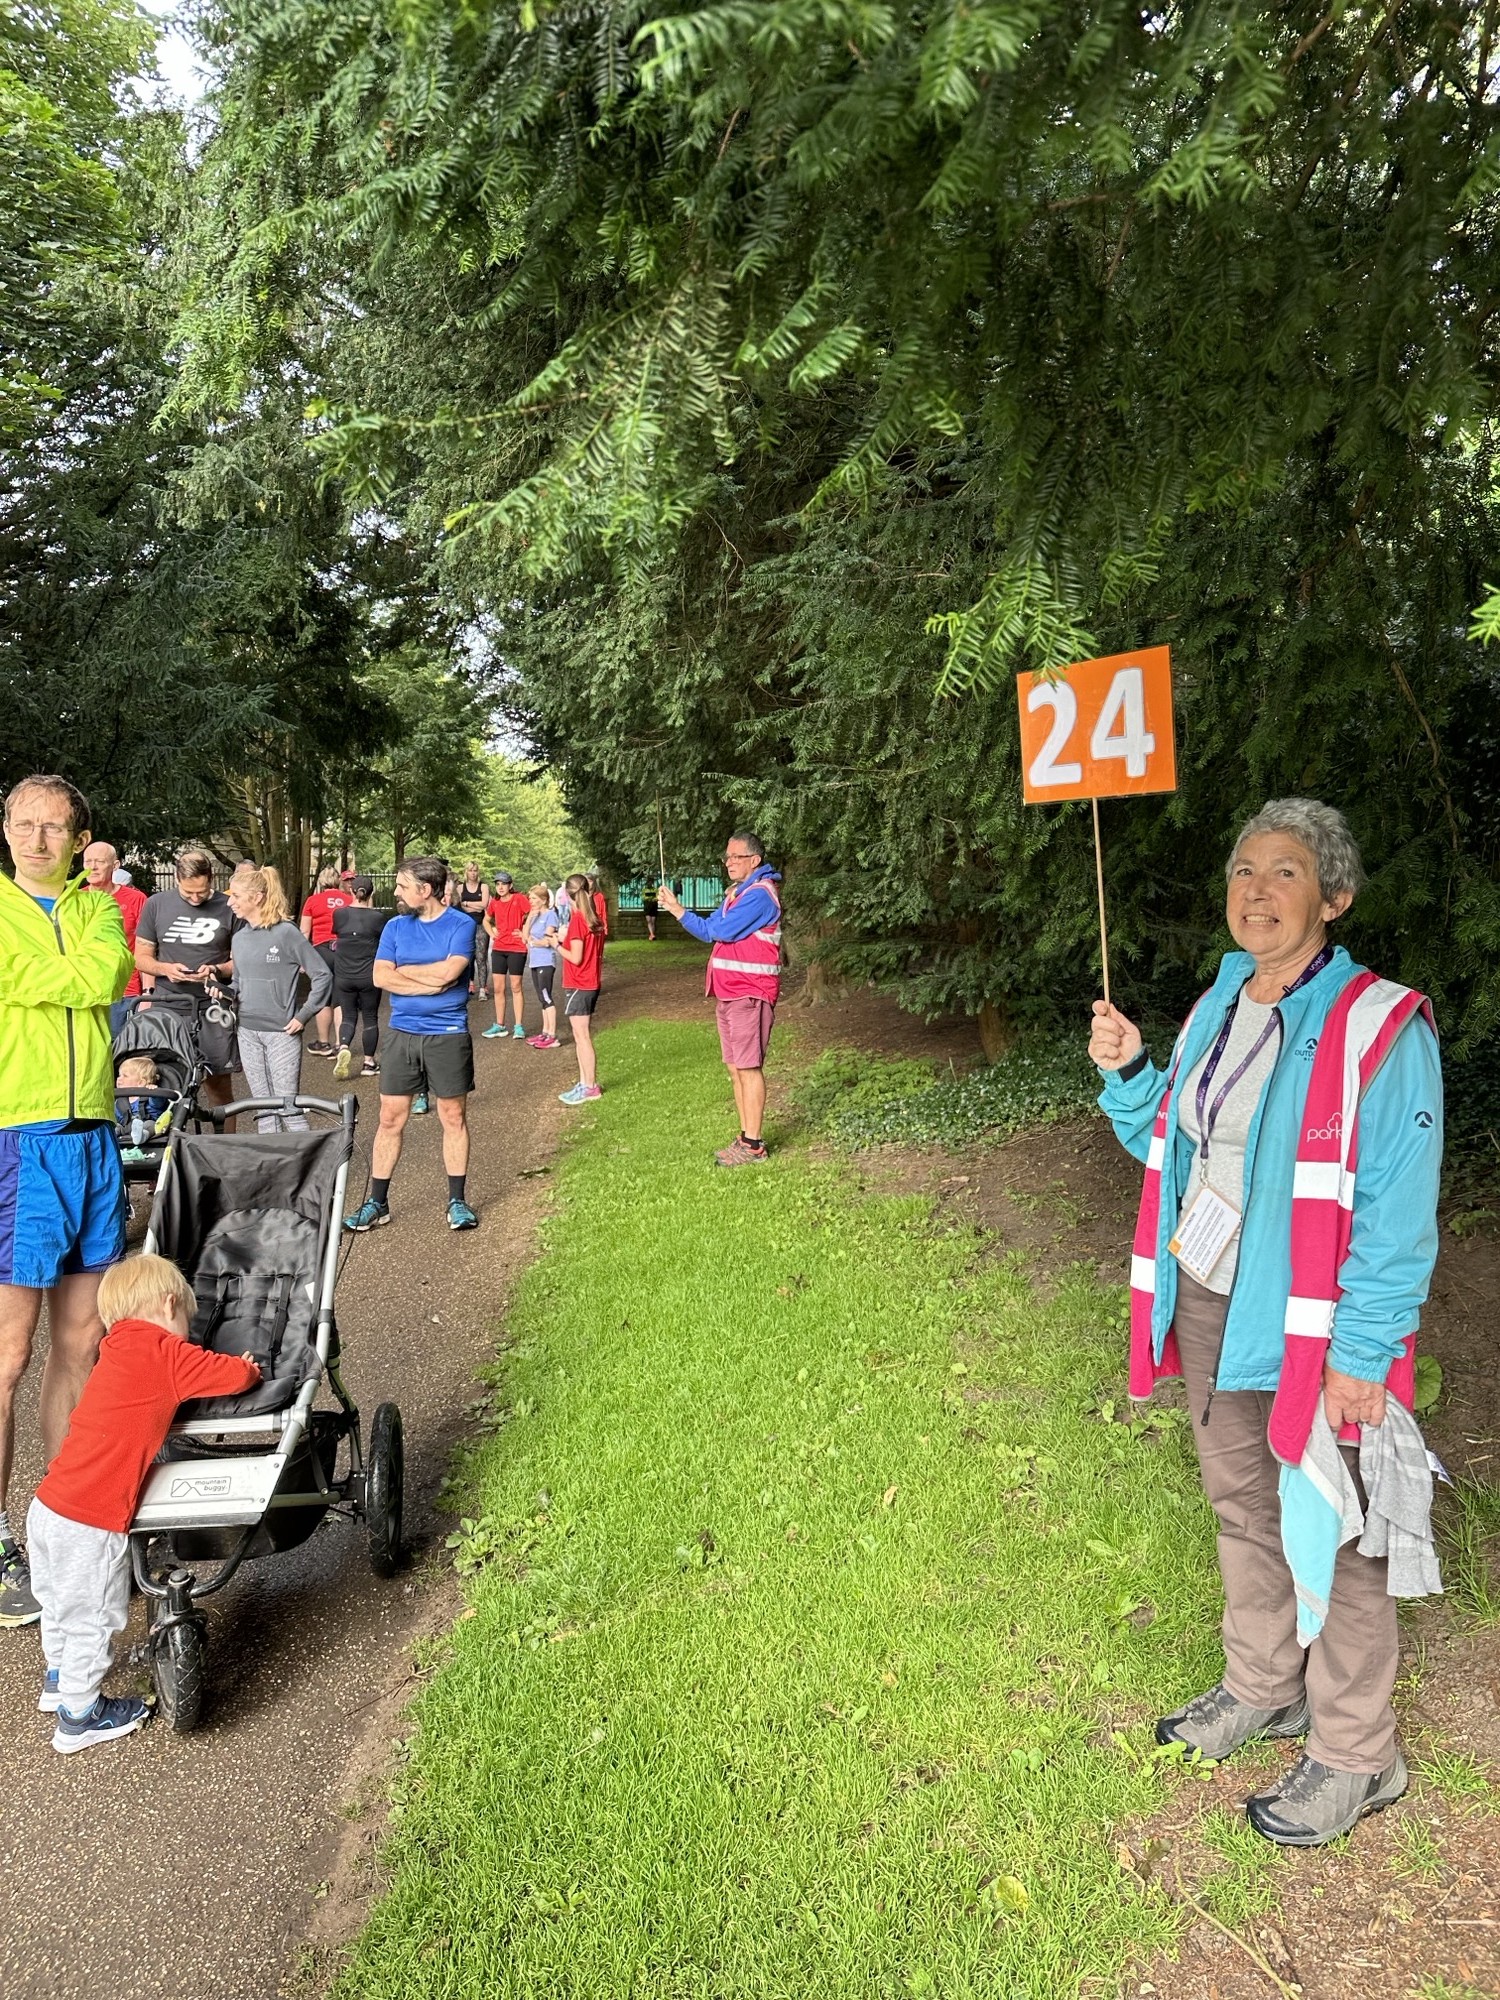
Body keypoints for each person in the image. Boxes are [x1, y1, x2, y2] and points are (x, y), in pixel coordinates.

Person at [1088, 798, 1442, 1848]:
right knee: (1242, 1500)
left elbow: (1396, 1210)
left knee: (1335, 1525)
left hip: (1316, 1325)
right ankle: (1262, 1682)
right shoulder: (1217, 1007)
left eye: (1285, 871)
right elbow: (1177, 1146)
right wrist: (1130, 1071)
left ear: (1333, 895)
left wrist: (1363, 1352)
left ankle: (1356, 1751)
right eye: (1244, 869)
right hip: (1214, 1295)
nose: (1256, 888)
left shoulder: (1381, 1025)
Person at [29, 1252, 259, 1752]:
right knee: (94, 1613)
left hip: (47, 1507)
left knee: (61, 1603)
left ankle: (60, 1679)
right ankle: (80, 1715)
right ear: (171, 1303)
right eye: (186, 1319)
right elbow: (229, 1377)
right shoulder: (166, 1352)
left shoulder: (114, 1350)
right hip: (89, 1519)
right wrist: (246, 1368)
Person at [0, 775, 134, 1627]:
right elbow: (56, 979)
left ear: (78, 832)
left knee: (79, 1345)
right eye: (25, 824)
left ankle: (65, 1519)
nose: (39, 841)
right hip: (15, 1140)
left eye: (56, 827)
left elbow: (109, 973)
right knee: (7, 1355)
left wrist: (68, 968)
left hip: (92, 1138)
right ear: (5, 827)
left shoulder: (100, 906)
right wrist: (68, 972)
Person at [344, 858, 479, 1233]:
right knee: (389, 1119)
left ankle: (457, 1202)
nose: (397, 892)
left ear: (426, 889)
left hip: (448, 1033)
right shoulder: (395, 926)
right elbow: (379, 975)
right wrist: (429, 980)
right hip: (401, 1032)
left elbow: (451, 973)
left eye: (403, 886)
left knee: (452, 1117)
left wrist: (406, 974)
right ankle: (377, 1202)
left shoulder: (461, 924)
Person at [659, 832, 782, 1167]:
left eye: (736, 857)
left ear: (754, 861)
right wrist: (676, 909)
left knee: (748, 1067)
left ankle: (753, 1145)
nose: (729, 862)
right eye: (726, 857)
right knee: (734, 1067)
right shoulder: (736, 895)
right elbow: (707, 929)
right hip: (729, 993)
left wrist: (692, 915)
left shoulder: (759, 896)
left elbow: (722, 932)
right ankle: (745, 1137)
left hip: (749, 992)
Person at [224, 866, 331, 1132]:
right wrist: (221, 991)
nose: (230, 902)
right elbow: (238, 982)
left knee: (288, 1109)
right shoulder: (239, 938)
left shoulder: (286, 932)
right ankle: (273, 1170)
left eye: (236, 895)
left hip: (282, 1032)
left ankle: (306, 1170)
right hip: (247, 1031)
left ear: (257, 897)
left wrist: (303, 1015)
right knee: (263, 1111)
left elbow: (322, 976)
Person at [135, 850, 240, 1117]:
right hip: (168, 1006)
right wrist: (165, 969)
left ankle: (222, 1152)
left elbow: (240, 962)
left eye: (202, 893)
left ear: (211, 878)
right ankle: (168, 1151)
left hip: (212, 1007)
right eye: (188, 893)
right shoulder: (156, 904)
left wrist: (217, 969)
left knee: (218, 1087)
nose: (195, 898)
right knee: (164, 1084)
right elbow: (141, 958)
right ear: (176, 879)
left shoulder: (230, 907)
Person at [82, 842, 149, 1034]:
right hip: (86, 991)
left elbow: (145, 949)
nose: (92, 867)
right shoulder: (74, 900)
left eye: (100, 861)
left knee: (121, 1055)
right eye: (88, 861)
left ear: (115, 865)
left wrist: (147, 994)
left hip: (125, 992)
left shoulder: (136, 899)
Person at [331, 876, 387, 1080]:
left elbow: (337, 934)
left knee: (348, 1015)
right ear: (371, 893)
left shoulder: (339, 914)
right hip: (368, 975)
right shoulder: (378, 918)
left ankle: (344, 1045)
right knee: (370, 1017)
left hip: (344, 975)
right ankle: (368, 1062)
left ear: (351, 891)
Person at [557, 871, 605, 1106]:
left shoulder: (578, 920)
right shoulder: (592, 917)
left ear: (568, 895)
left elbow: (575, 957)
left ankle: (589, 1086)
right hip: (589, 982)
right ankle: (585, 1081)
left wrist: (555, 944)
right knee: (581, 1036)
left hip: (579, 984)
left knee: (582, 1036)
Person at [299, 865, 352, 1057]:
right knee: (340, 998)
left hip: (320, 951)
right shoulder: (349, 900)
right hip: (344, 951)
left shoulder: (312, 900)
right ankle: (340, 1044)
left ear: (321, 882)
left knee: (323, 997)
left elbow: (304, 933)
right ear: (338, 881)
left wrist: (301, 960)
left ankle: (323, 1043)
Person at [483, 871, 532, 1040]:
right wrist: (492, 933)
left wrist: (525, 931)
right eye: (497, 884)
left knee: (516, 986)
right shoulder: (495, 902)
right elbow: (485, 920)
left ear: (510, 885)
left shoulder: (519, 899)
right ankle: (499, 1025)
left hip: (517, 948)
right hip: (499, 948)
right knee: (498, 988)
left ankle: (518, 1026)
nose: (500, 887)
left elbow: (533, 913)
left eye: (503, 884)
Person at [521, 885, 562, 1049]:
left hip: (546, 961)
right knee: (541, 998)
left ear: (544, 900)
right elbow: (525, 937)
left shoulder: (551, 915)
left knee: (546, 997)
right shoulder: (535, 915)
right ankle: (545, 1032)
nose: (531, 901)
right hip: (535, 961)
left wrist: (534, 941)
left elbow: (547, 941)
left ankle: (552, 1035)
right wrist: (530, 917)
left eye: (534, 898)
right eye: (530, 898)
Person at [454, 861, 490, 998]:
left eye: (475, 870)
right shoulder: (460, 888)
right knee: (467, 958)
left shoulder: (484, 887)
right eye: (470, 870)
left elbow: (484, 905)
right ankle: (468, 984)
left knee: (481, 957)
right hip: (466, 926)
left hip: (481, 925)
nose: (473, 873)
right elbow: (460, 906)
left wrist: (468, 903)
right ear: (466, 872)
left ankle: (482, 988)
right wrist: (476, 905)